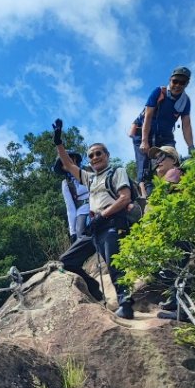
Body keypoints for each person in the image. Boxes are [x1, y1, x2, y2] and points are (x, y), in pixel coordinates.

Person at [54, 119, 135, 319]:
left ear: (107, 155)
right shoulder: (89, 178)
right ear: (89, 161)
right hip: (94, 227)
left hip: (111, 221)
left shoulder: (117, 171)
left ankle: (125, 304)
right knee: (66, 261)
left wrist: (103, 215)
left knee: (115, 264)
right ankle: (94, 288)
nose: (95, 157)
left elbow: (125, 198)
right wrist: (58, 142)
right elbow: (67, 164)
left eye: (99, 153)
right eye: (91, 155)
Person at [148, 145, 189, 320]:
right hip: (174, 230)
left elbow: (164, 203)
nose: (157, 162)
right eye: (155, 159)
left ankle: (182, 309)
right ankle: (174, 300)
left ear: (173, 159)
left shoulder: (174, 173)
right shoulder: (168, 177)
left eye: (162, 157)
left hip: (179, 229)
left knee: (177, 266)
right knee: (171, 267)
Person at [138, 66, 195, 163]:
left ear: (187, 84)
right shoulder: (159, 92)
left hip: (166, 135)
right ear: (170, 80)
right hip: (144, 131)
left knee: (171, 159)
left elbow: (186, 126)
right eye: (175, 81)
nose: (177, 85)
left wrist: (191, 147)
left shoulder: (185, 101)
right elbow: (148, 117)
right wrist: (144, 141)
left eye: (182, 83)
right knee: (145, 167)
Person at [54, 152, 90, 240]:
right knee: (80, 235)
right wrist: (72, 231)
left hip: (100, 202)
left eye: (68, 159)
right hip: (83, 210)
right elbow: (70, 208)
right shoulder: (66, 184)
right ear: (62, 167)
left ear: (74, 159)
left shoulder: (90, 169)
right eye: (63, 162)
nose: (66, 163)